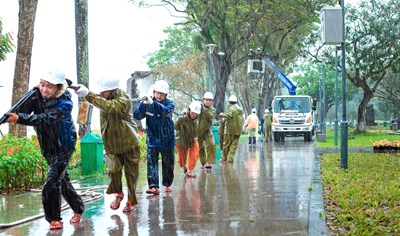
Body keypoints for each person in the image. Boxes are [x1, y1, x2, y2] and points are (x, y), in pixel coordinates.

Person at [4, 69, 84, 230]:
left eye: (49, 86)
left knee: (52, 181)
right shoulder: (36, 95)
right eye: (42, 84)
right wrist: (18, 112)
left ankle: (54, 219)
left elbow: (45, 118)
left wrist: (20, 119)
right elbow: (22, 110)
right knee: (62, 181)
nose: (44, 90)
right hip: (47, 146)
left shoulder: (65, 103)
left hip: (64, 145)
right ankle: (78, 208)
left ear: (58, 88)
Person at [75, 75, 140, 213]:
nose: (101, 94)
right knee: (113, 171)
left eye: (103, 91)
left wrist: (88, 94)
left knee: (131, 175)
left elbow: (110, 107)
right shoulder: (103, 99)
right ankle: (119, 194)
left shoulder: (123, 99)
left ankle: (130, 201)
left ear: (112, 90)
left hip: (129, 143)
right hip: (112, 143)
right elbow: (99, 103)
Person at [133, 80, 175, 195]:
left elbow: (164, 111)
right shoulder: (147, 103)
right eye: (157, 93)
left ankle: (167, 184)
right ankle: (153, 186)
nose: (159, 95)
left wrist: (153, 103)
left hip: (167, 140)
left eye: (162, 94)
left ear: (166, 95)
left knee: (168, 164)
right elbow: (137, 115)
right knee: (152, 163)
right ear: (154, 92)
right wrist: (143, 104)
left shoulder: (170, 104)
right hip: (152, 139)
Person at [175, 101, 202, 178]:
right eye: (193, 112)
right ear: (189, 110)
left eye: (196, 113)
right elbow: (175, 127)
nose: (194, 115)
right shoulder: (182, 118)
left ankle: (190, 171)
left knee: (195, 153)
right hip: (182, 140)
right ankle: (184, 167)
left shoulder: (196, 120)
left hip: (192, 139)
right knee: (182, 157)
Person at [219, 95, 243, 163]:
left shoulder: (231, 109)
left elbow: (229, 114)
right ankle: (230, 159)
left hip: (230, 130)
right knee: (234, 145)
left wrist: (221, 114)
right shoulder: (239, 110)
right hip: (238, 130)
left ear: (229, 102)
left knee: (226, 144)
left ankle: (224, 158)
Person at [197, 92, 216, 169]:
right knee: (200, 147)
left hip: (207, 130)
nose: (208, 101)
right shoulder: (198, 107)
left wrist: (203, 109)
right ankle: (203, 163)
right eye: (206, 100)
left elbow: (210, 116)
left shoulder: (212, 110)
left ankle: (209, 162)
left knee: (211, 144)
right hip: (198, 131)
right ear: (203, 100)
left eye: (210, 100)